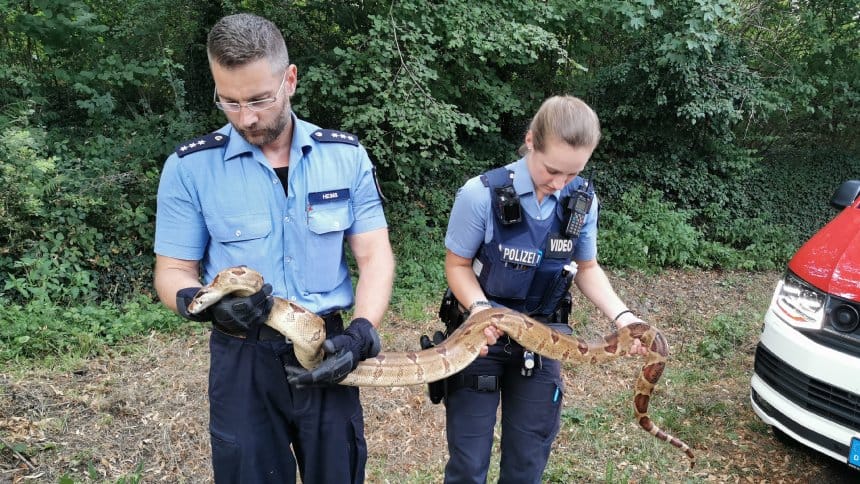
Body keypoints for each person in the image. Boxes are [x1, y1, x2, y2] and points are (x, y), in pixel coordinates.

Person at [153, 13, 394, 483]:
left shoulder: (344, 156)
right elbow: (173, 270)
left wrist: (362, 331)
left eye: (259, 99)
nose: (246, 117)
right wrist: (197, 305)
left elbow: (374, 257)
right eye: (230, 102)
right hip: (242, 355)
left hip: (328, 347)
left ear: (290, 79)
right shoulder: (189, 169)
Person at [441, 95, 646, 483]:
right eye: (552, 170)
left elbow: (587, 269)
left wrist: (624, 318)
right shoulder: (479, 194)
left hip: (545, 339)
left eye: (571, 175)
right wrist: (482, 310)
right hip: (481, 338)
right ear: (530, 140)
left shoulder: (582, 202)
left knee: (528, 462)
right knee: (468, 464)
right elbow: (457, 266)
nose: (559, 184)